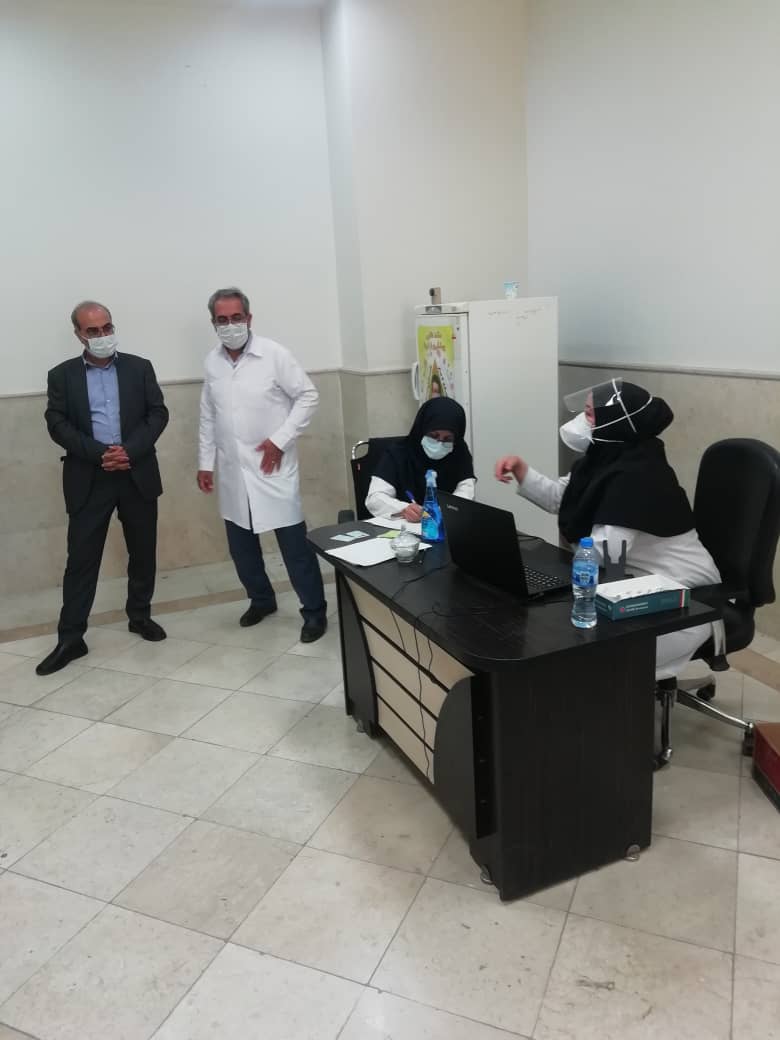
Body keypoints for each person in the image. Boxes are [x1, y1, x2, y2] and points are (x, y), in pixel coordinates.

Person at [495, 378, 722, 678]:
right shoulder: (603, 461)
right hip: (629, 582)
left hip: (684, 598)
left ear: (614, 422)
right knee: (562, 634)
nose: (581, 420)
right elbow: (561, 498)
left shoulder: (638, 476)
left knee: (587, 658)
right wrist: (521, 470)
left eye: (589, 413)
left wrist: (552, 567)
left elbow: (605, 551)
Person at [37, 301, 169, 676]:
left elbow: (158, 413)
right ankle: (71, 638)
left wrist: (129, 450)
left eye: (106, 327)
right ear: (79, 334)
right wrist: (100, 454)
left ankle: (139, 615)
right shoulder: (62, 375)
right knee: (81, 559)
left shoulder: (139, 368)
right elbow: (56, 423)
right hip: (89, 477)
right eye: (92, 331)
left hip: (136, 472)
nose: (102, 336)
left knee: (142, 552)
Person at [197, 287, 327, 642]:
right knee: (242, 548)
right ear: (213, 323)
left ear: (249, 318)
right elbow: (209, 415)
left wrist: (279, 440)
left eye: (236, 317)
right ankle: (261, 600)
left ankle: (314, 612)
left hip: (273, 469)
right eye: (222, 320)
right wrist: (205, 462)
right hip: (232, 471)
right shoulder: (212, 362)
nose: (230, 325)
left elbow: (308, 396)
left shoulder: (274, 355)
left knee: (294, 548)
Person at [365, 398, 476, 522]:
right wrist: (403, 508)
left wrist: (450, 510)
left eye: (448, 439)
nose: (440, 443)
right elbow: (375, 498)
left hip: (443, 525)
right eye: (434, 435)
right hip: (403, 526)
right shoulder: (398, 453)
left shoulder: (459, 452)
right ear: (422, 430)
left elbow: (466, 489)